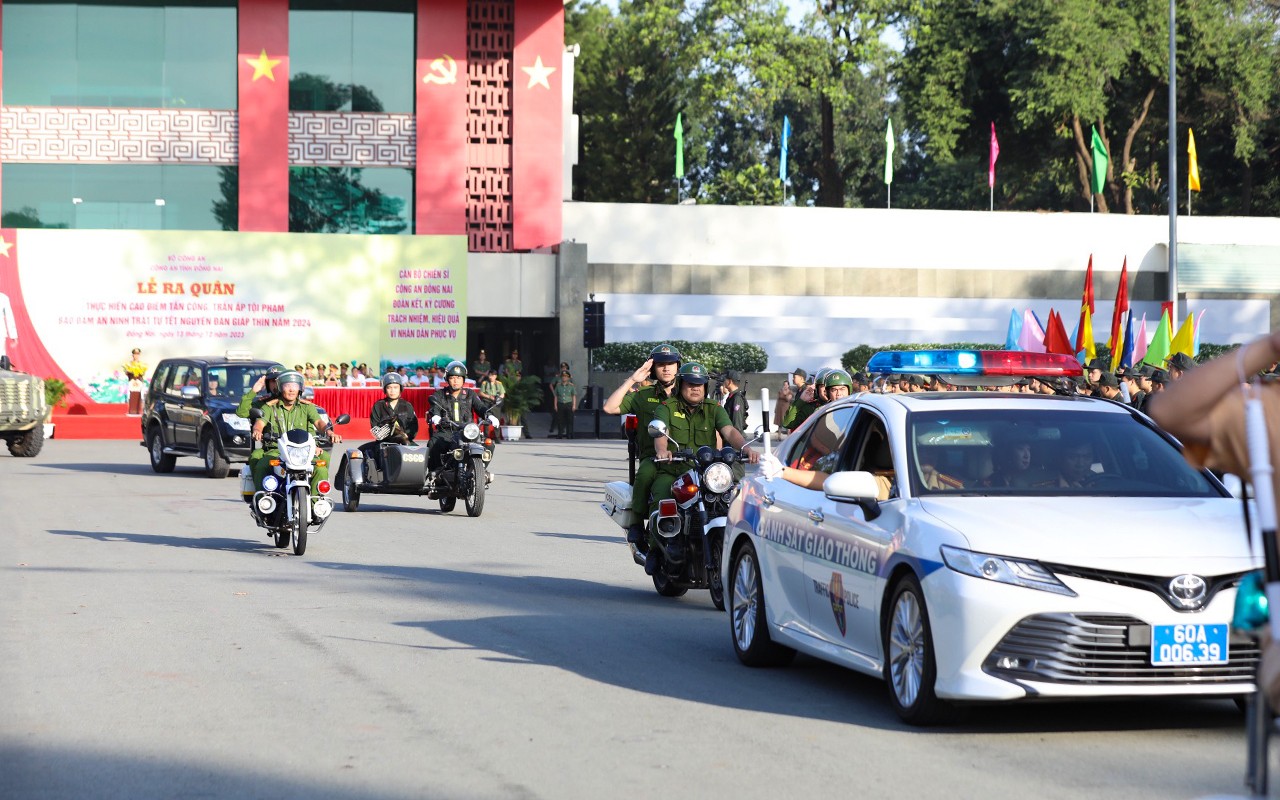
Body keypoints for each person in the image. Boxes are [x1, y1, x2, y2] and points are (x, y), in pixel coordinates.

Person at [648, 361, 760, 573]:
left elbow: (729, 431)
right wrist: (663, 450)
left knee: (733, 498)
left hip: (706, 472)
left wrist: (746, 449)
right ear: (681, 384)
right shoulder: (667, 408)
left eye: (700, 384)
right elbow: (660, 434)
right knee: (663, 495)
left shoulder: (713, 408)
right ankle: (658, 548)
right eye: (690, 384)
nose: (696, 388)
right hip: (674, 470)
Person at [603, 343, 683, 545]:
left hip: (686, 459)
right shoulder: (642, 396)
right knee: (653, 486)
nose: (666, 368)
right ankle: (640, 527)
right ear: (653, 369)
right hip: (654, 458)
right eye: (661, 364)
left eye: (671, 363)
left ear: (678, 366)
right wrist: (633, 379)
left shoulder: (690, 394)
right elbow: (610, 407)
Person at [250, 370, 342, 495]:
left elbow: (319, 423)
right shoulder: (270, 407)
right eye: (287, 386)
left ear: (300, 388)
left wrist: (330, 433)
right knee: (261, 465)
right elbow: (260, 423)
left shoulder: (307, 407)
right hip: (276, 450)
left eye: (295, 386)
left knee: (321, 467)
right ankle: (262, 499)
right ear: (280, 387)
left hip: (302, 451)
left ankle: (317, 500)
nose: (291, 390)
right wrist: (257, 431)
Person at [427, 361, 498, 470]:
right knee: (433, 443)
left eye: (459, 378)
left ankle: (479, 471)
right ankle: (436, 474)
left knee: (489, 444)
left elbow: (480, 407)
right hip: (447, 432)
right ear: (447, 379)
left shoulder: (470, 394)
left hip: (467, 431)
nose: (456, 381)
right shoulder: (439, 394)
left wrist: (489, 415)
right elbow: (434, 408)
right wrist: (436, 416)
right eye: (453, 377)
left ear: (464, 379)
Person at [551, 370, 578, 438]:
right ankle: (560, 434)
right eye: (563, 377)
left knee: (569, 420)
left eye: (565, 377)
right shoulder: (558, 386)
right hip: (560, 404)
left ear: (568, 378)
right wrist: (555, 405)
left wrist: (574, 405)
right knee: (560, 420)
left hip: (568, 403)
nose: (564, 378)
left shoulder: (571, 386)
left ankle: (569, 434)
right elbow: (556, 396)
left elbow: (573, 396)